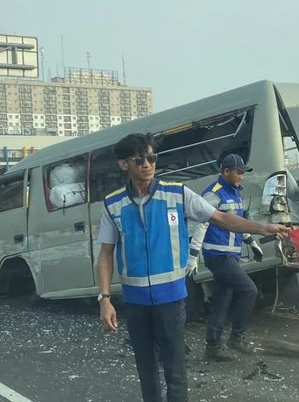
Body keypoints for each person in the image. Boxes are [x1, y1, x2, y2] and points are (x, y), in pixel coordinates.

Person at [97, 134, 289, 402]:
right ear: (123, 165)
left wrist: (263, 227)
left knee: (175, 368)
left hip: (172, 300)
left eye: (151, 158)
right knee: (146, 368)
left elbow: (221, 218)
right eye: (139, 160)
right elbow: (105, 254)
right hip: (136, 302)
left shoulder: (177, 194)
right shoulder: (112, 204)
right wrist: (104, 299)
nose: (147, 164)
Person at [187, 154, 265, 363]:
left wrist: (252, 243)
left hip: (230, 255)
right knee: (249, 290)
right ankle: (237, 338)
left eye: (243, 173)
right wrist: (193, 255)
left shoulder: (235, 194)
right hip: (217, 255)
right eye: (238, 172)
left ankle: (212, 348)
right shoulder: (213, 194)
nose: (242, 176)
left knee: (221, 301)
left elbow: (238, 223)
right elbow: (200, 224)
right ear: (226, 171)